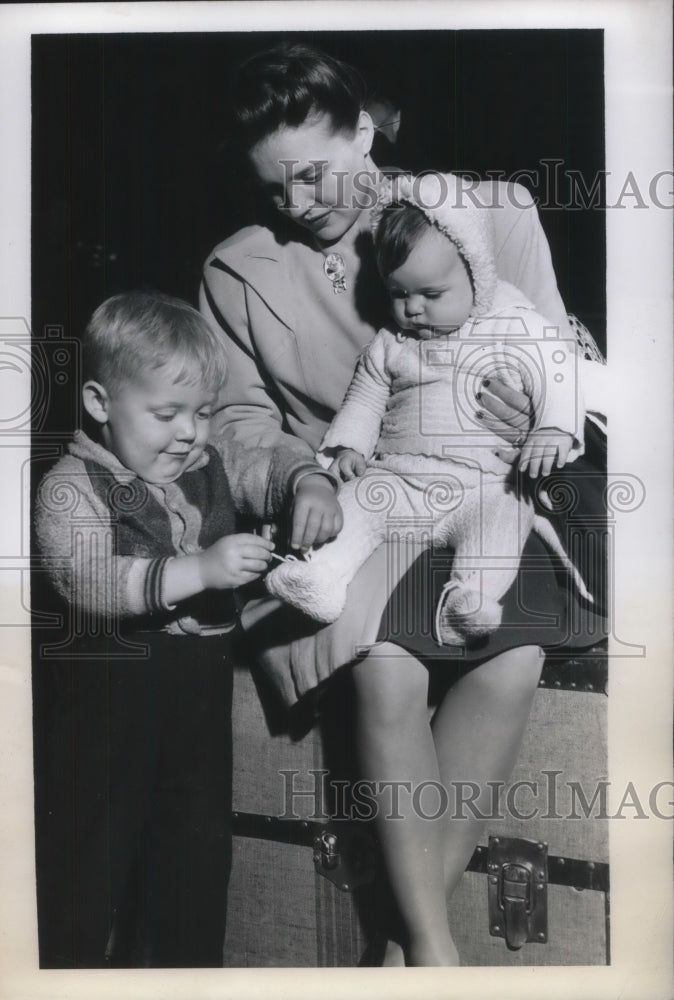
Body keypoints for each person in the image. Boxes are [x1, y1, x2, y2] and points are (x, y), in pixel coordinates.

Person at [199, 43, 607, 966]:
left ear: (365, 130)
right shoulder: (236, 271)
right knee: (388, 664)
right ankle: (430, 947)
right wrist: (299, 475)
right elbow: (237, 419)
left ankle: (401, 950)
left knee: (511, 658)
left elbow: (558, 361)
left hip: (494, 489)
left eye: (312, 175)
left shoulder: (492, 212)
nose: (297, 206)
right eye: (273, 190)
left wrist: (534, 413)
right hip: (360, 507)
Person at [32, 290, 340, 967]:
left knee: (197, 868)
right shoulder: (69, 486)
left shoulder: (208, 462)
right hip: (103, 715)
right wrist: (198, 570)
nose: (188, 433)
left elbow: (268, 459)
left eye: (201, 413)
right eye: (167, 413)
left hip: (196, 708)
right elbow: (84, 576)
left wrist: (310, 484)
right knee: (88, 873)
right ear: (98, 402)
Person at [266, 172, 592, 640]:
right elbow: (366, 396)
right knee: (356, 502)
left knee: (507, 514)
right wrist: (347, 448)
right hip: (399, 479)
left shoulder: (512, 324)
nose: (413, 309)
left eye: (431, 295)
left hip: (483, 484)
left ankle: (469, 600)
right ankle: (319, 577)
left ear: (476, 274)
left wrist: (553, 429)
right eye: (399, 294)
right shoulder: (391, 345)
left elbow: (558, 370)